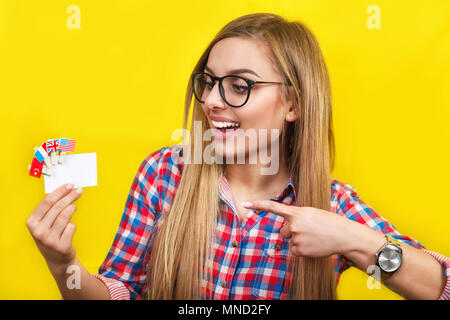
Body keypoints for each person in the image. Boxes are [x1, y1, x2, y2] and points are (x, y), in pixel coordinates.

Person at [26, 13, 450, 300]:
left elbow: (441, 287)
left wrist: (354, 240)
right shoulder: (163, 175)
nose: (211, 100)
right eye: (208, 82)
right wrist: (63, 264)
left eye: (239, 85)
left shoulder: (330, 206)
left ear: (293, 105)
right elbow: (121, 291)